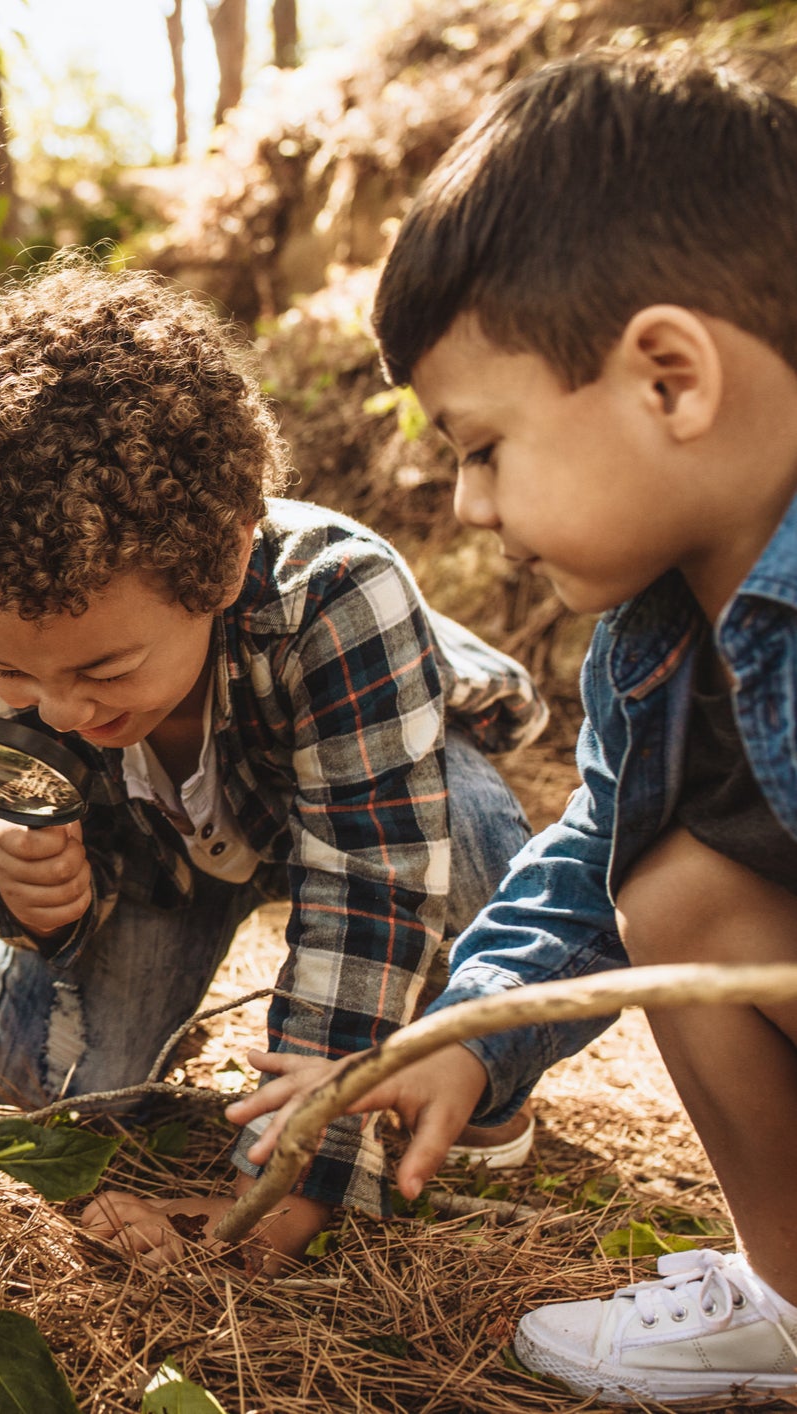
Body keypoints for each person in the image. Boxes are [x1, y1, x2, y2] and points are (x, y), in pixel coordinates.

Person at [228, 51, 797, 1402]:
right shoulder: (653, 639)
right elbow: (592, 855)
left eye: (482, 446)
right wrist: (467, 1037)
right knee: (671, 887)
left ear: (667, 378)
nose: (468, 504)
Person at [0, 261, 547, 1267]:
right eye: (19, 670)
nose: (60, 709)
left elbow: (368, 884)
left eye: (104, 667)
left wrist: (291, 1176)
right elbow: (13, 853)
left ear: (225, 558)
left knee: (483, 853)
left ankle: (476, 1072)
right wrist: (32, 899)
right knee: (42, 1080)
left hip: (358, 790)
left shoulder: (338, 598)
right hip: (161, 861)